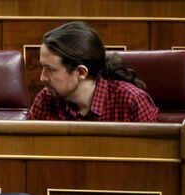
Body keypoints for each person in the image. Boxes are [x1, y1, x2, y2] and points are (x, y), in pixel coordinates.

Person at [26, 21, 159, 122]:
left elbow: (154, 155)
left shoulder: (132, 101)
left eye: (50, 69)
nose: (42, 78)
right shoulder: (45, 99)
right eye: (43, 67)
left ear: (81, 72)